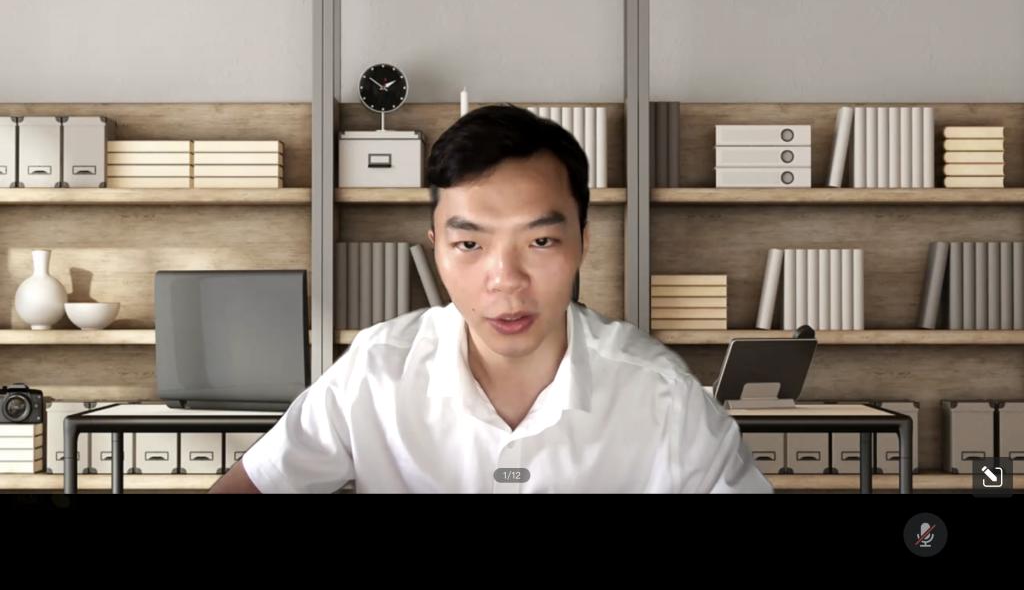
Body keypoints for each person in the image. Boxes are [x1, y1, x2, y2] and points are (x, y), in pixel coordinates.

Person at [210, 104, 772, 493]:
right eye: (470, 244)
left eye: (540, 241)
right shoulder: (374, 374)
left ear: (583, 243)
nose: (505, 279)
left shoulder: (663, 398)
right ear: (436, 247)